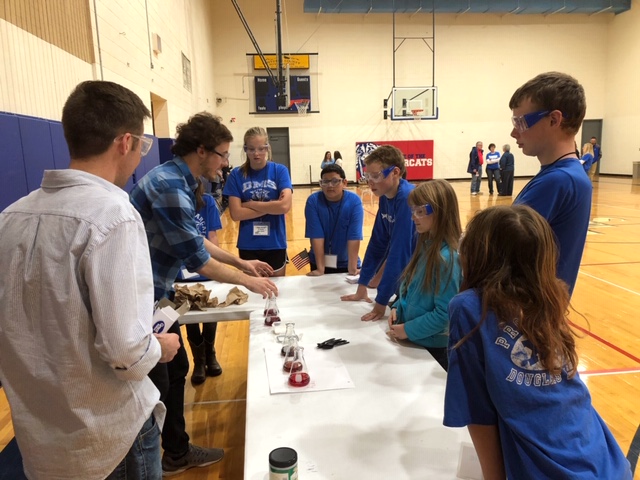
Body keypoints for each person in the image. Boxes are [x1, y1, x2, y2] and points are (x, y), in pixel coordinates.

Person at [0, 80, 181, 480]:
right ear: (125, 143)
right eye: (142, 147)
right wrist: (160, 347)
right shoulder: (114, 216)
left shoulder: (10, 216)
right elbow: (126, 353)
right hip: (106, 439)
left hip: (41, 440)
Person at [131, 113, 278, 476]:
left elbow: (197, 242)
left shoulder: (178, 178)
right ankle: (161, 456)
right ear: (201, 151)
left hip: (158, 291)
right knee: (158, 380)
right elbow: (198, 260)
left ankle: (176, 450)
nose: (226, 163)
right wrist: (249, 282)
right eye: (223, 155)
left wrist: (243, 263)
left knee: (175, 366)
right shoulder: (169, 186)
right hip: (142, 296)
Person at [444, 205, 632, 480]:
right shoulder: (549, 294)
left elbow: (477, 409)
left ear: (479, 254)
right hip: (605, 459)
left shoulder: (469, 307)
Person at [509, 71, 592, 294]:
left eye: (521, 122)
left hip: (524, 314)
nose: (514, 132)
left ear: (554, 120)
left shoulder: (559, 180)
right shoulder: (565, 175)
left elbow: (499, 252)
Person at [387, 180, 462, 371]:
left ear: (441, 211)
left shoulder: (447, 258)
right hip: (415, 341)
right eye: (413, 210)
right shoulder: (425, 244)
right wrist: (397, 307)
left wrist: (407, 330)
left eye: (420, 211)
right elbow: (410, 289)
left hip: (433, 350)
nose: (414, 217)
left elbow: (444, 314)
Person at [341, 145, 416, 321]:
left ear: (395, 172)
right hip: (406, 275)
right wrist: (363, 284)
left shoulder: (407, 198)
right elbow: (378, 243)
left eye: (376, 176)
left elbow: (399, 254)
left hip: (421, 278)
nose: (370, 182)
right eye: (368, 176)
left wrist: (381, 302)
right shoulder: (386, 196)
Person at [224, 126, 293, 277]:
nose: (256, 153)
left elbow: (285, 206)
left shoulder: (280, 171)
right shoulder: (236, 174)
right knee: (251, 293)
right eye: (251, 149)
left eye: (261, 148)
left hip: (275, 242)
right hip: (248, 243)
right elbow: (236, 214)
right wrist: (272, 206)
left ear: (267, 148)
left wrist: (250, 204)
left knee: (276, 291)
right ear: (245, 149)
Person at [176, 178, 224, 385]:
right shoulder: (174, 204)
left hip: (204, 266)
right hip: (182, 271)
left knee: (210, 311)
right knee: (190, 315)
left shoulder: (207, 202)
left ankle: (210, 353)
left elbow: (211, 236)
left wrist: (214, 265)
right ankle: (199, 360)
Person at [305, 164, 363, 276]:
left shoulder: (354, 202)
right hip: (319, 262)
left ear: (344, 183)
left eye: (335, 181)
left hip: (347, 262)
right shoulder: (313, 201)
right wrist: (320, 269)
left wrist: (352, 268)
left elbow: (354, 236)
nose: (330, 185)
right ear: (321, 184)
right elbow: (316, 236)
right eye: (325, 182)